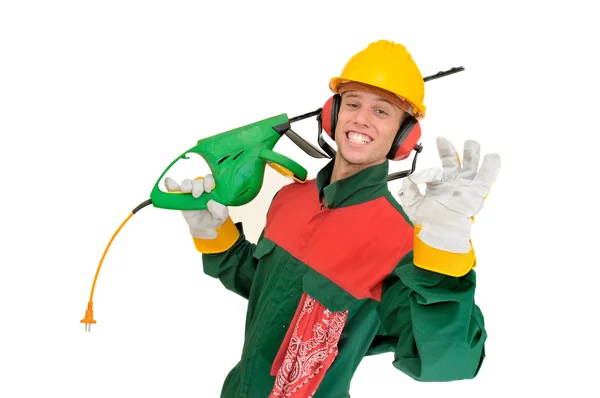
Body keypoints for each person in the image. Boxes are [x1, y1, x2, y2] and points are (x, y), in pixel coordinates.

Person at [165, 39, 501, 398]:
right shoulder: (290, 199)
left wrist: (444, 250)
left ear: (403, 137)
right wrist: (213, 233)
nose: (361, 118)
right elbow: (263, 288)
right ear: (332, 113)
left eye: (382, 111)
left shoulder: (401, 241)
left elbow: (449, 361)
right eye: (353, 103)